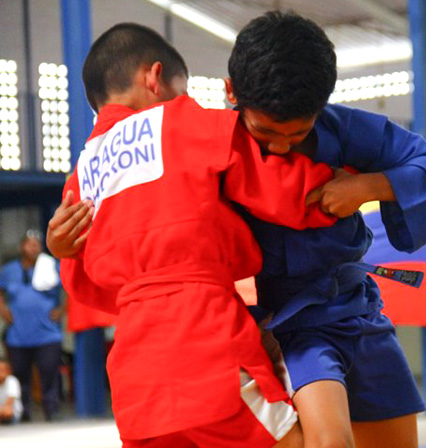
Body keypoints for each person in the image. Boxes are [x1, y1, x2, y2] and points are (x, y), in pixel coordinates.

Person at [46, 23, 343, 448]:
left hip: (135, 379)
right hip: (207, 346)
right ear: (154, 78)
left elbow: (86, 288)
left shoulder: (81, 175)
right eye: (181, 90)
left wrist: (65, 254)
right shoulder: (180, 119)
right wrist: (344, 189)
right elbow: (277, 188)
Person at [225, 11, 426, 448]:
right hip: (289, 324)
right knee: (331, 442)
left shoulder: (345, 129)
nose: (279, 146)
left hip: (359, 309)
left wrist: (369, 186)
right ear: (230, 92)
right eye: (265, 131)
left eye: (297, 133)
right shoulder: (212, 146)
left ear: (321, 107)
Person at [0, 230, 63, 422]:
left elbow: (71, 287)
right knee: (20, 377)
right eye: (30, 243)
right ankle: (24, 413)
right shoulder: (9, 270)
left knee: (49, 374)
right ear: (22, 247)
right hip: (18, 335)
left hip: (47, 334)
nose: (34, 247)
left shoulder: (51, 266)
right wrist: (3, 311)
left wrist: (62, 310)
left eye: (37, 244)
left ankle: (51, 413)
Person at [0, 356, 22, 424]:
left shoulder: (12, 380)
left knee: (7, 411)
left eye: (4, 370)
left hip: (12, 413)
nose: (2, 372)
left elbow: (9, 403)